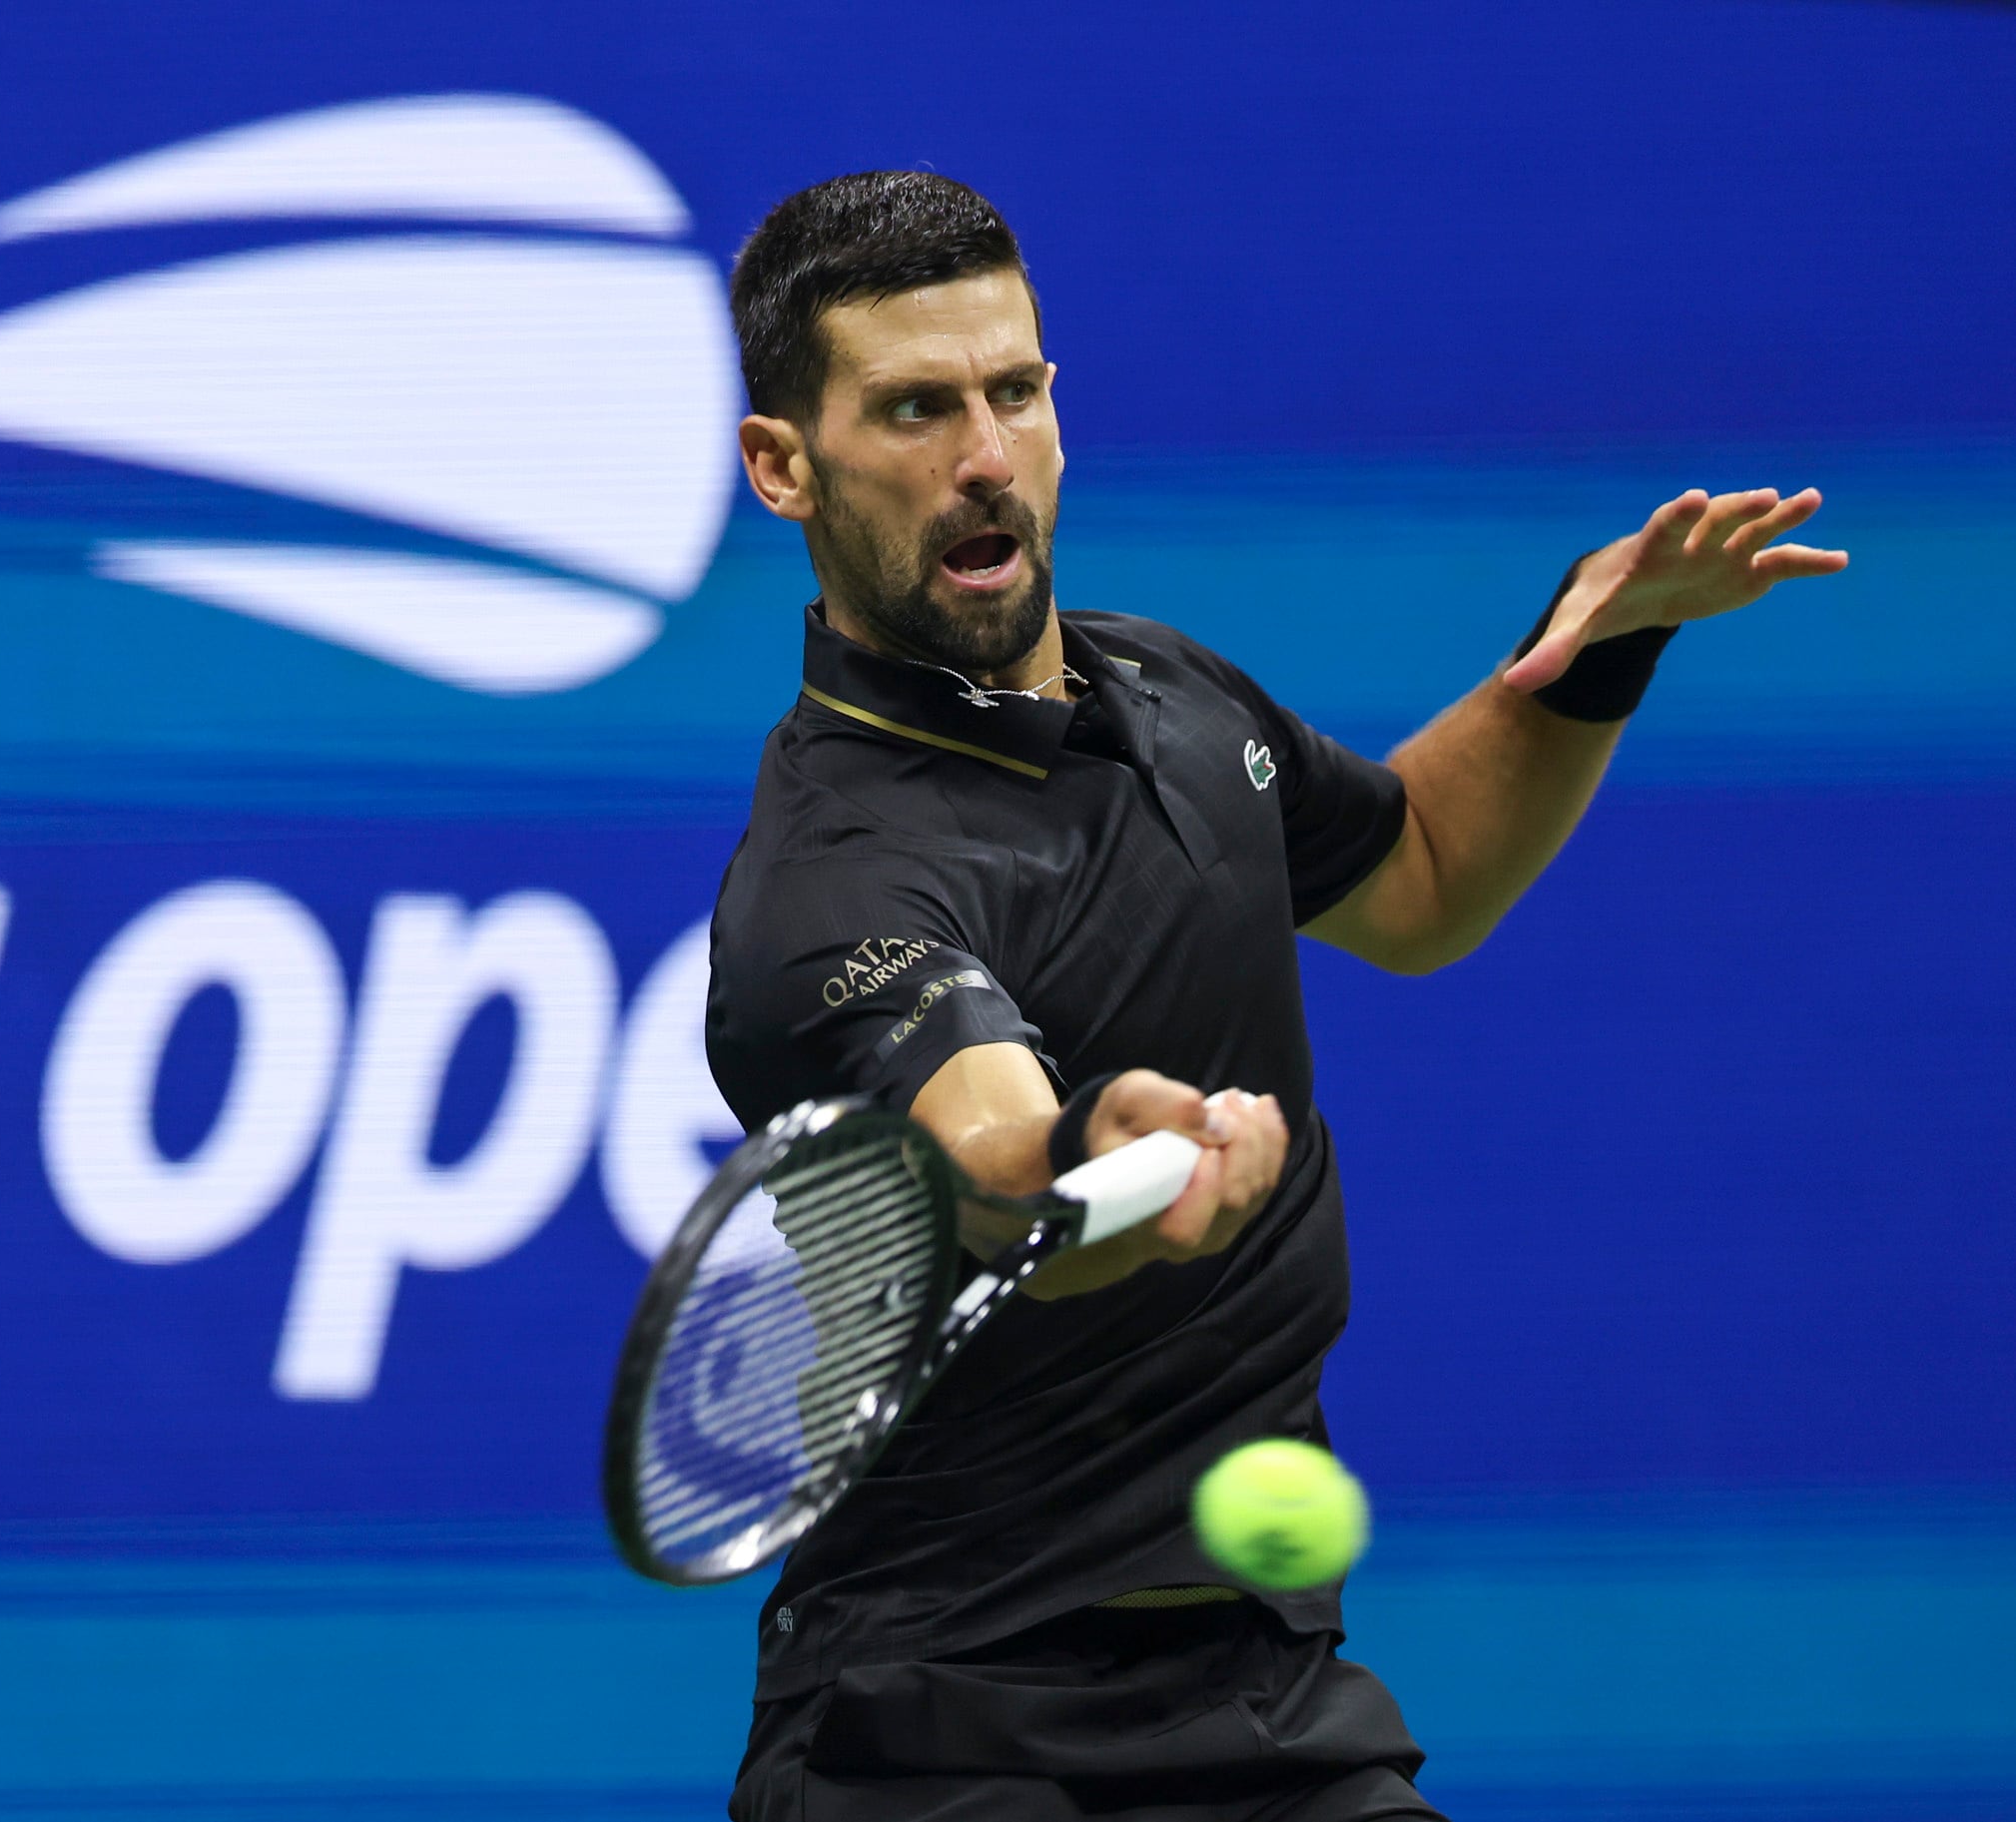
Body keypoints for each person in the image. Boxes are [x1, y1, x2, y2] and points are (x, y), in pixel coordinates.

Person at [701, 171, 1846, 1822]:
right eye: (912, 408)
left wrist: (1600, 647)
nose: (981, 456)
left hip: (1263, 1696)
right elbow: (981, 1149)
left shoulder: (1173, 696)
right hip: (936, 1724)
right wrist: (1112, 1138)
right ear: (782, 466)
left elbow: (1430, 868)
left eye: (1014, 391)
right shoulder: (833, 875)